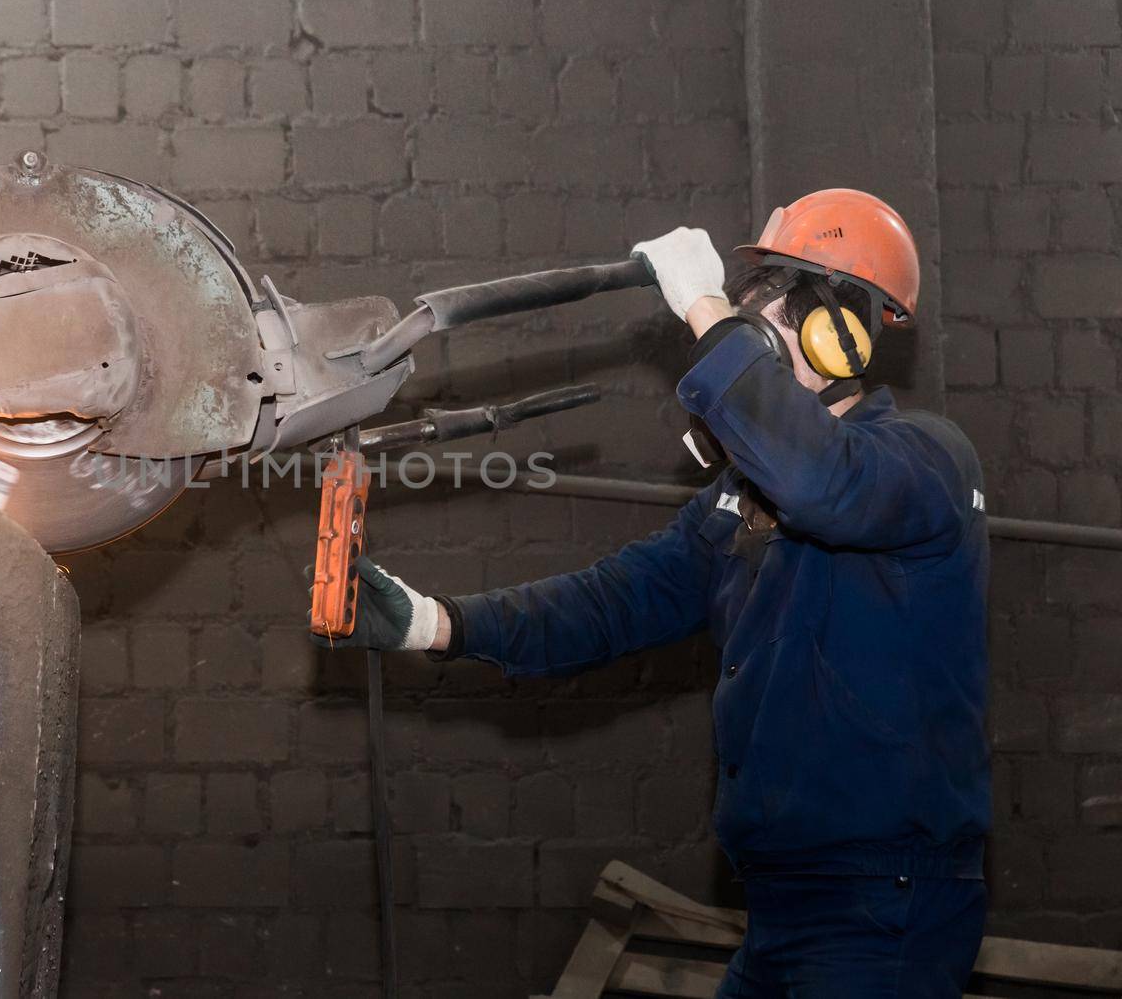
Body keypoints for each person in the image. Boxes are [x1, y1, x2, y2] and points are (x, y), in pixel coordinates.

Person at [314, 190, 991, 998]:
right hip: (779, 911)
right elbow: (612, 602)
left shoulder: (924, 463)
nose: (752, 319)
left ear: (840, 332)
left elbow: (822, 479)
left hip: (885, 909)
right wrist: (434, 623)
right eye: (749, 298)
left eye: (775, 301)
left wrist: (705, 306)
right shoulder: (740, 502)